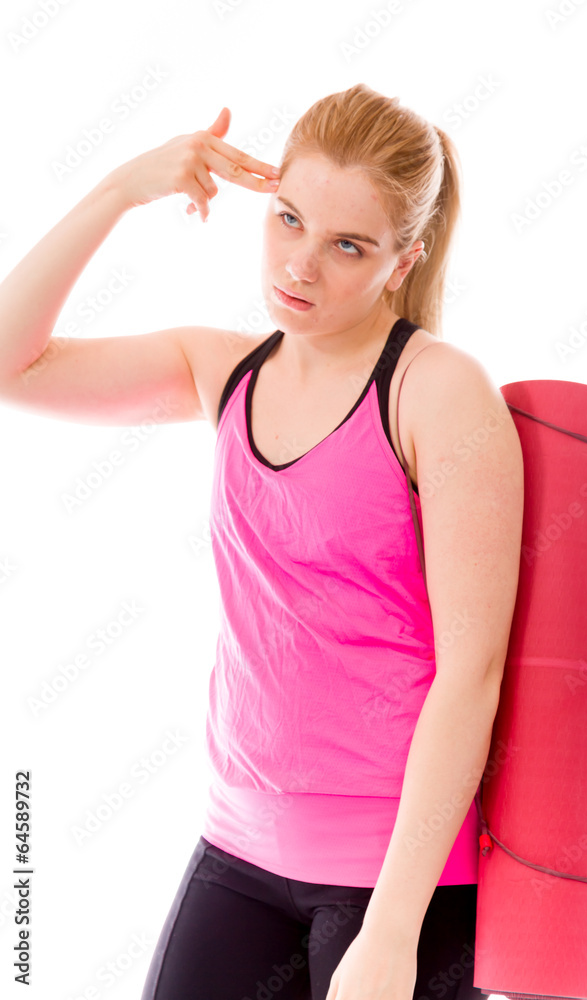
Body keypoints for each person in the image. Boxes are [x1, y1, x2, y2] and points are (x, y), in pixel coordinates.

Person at [0, 83, 523, 999]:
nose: (300, 266)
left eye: (346, 245)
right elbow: (10, 363)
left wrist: (393, 931)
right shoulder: (224, 372)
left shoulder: (436, 392)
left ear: (401, 262)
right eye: (288, 220)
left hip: (398, 880)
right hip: (237, 851)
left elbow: (470, 674)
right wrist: (123, 187)